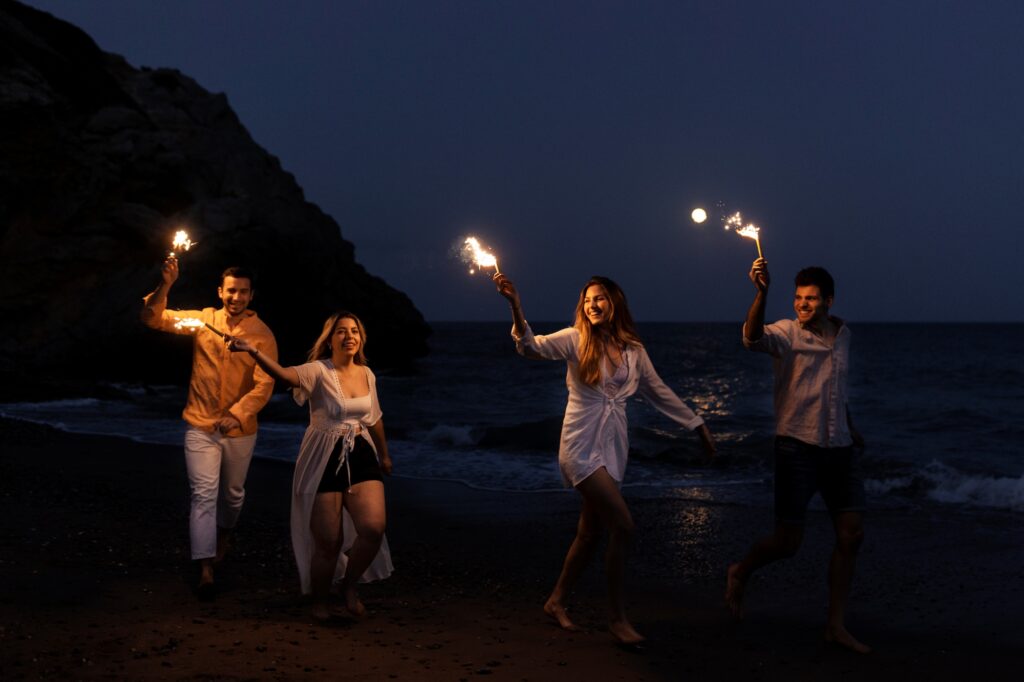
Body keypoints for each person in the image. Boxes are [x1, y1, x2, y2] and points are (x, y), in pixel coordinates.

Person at [494, 273, 716, 646]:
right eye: (587, 300)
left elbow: (659, 391)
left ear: (614, 303)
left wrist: (697, 425)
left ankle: (556, 601)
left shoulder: (634, 351)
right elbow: (530, 347)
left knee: (589, 532)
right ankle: (617, 617)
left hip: (614, 446)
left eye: (599, 299)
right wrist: (516, 305)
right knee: (623, 526)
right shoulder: (575, 339)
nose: (592, 305)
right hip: (579, 446)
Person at [725, 257, 869, 654]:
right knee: (788, 543)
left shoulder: (843, 336)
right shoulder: (786, 334)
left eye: (810, 299)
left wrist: (850, 424)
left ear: (829, 302)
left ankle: (834, 626)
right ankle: (741, 570)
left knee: (852, 535)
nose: (802, 305)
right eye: (798, 298)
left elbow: (836, 387)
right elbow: (751, 338)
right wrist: (762, 292)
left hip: (840, 448)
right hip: (796, 447)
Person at [226, 312, 393, 622]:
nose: (349, 336)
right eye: (341, 331)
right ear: (329, 340)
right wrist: (253, 351)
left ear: (361, 337)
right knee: (328, 540)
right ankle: (319, 601)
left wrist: (384, 455)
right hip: (323, 453)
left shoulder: (367, 374)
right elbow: (284, 375)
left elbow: (375, 417)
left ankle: (348, 586)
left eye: (354, 330)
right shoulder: (318, 371)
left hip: (361, 451)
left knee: (373, 528)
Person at [141, 257, 277, 599]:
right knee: (203, 494)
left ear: (251, 295)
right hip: (200, 425)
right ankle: (204, 568)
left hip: (240, 430)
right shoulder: (202, 322)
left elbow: (265, 383)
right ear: (221, 292)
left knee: (232, 495)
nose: (236, 297)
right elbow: (153, 319)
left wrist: (239, 412)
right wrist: (167, 284)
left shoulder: (262, 335)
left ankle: (226, 534)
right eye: (231, 291)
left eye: (243, 292)